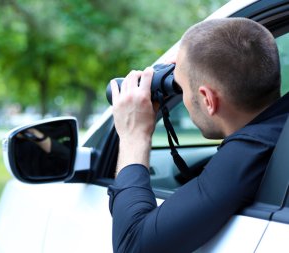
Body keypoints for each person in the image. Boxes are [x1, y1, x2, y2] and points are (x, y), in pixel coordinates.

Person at [108, 18, 289, 253]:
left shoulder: (249, 152)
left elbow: (133, 245)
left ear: (207, 100)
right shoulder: (277, 130)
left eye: (181, 88)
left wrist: (134, 136)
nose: (180, 95)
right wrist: (190, 69)